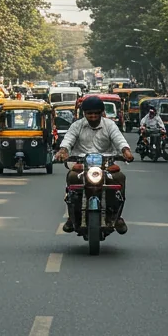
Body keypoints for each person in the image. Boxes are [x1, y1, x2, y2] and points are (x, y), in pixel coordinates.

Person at [55, 95, 134, 233]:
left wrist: (126, 151)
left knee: (120, 178)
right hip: (81, 164)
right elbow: (68, 141)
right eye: (89, 113)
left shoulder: (110, 125)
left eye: (96, 113)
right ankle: (72, 216)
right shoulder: (77, 126)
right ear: (84, 114)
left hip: (106, 164)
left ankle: (117, 216)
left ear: (102, 113)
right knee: (72, 177)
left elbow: (119, 140)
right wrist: (62, 151)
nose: (93, 116)